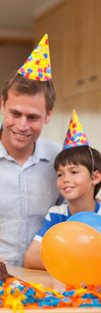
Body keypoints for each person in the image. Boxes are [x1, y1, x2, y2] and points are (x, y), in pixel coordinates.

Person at [0, 34, 63, 267]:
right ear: (3, 105)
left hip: (41, 281)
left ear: (48, 114)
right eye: (15, 113)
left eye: (33, 117)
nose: (22, 126)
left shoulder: (60, 161)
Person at [24, 109, 101, 269]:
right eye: (60, 174)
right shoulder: (56, 214)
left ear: (95, 177)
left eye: (74, 172)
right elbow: (31, 258)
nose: (65, 179)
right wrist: (76, 262)